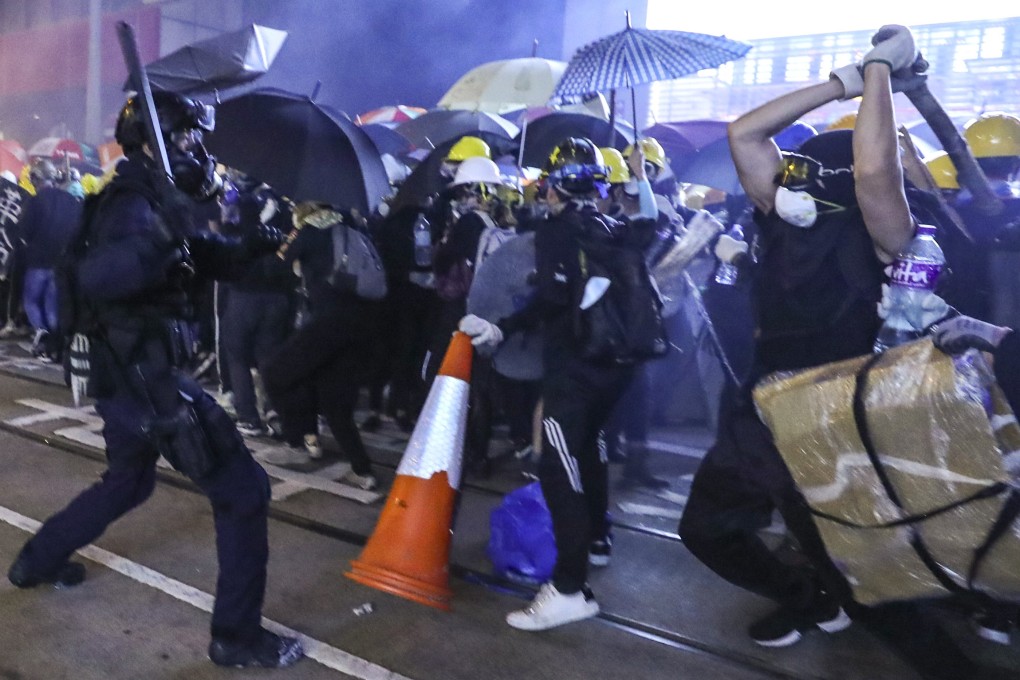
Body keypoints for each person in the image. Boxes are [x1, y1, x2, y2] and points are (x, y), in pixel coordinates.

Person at [6, 90, 303, 669]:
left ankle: (36, 561)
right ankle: (236, 638)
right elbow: (103, 276)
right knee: (244, 493)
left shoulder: (156, 198)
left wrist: (259, 245)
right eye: (191, 138)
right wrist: (166, 233)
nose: (199, 151)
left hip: (128, 380)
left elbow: (202, 257)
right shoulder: (134, 202)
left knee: (128, 481)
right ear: (161, 140)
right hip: (148, 379)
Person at [678, 25, 921, 647]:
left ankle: (856, 613)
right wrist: (840, 82)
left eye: (811, 172)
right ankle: (809, 598)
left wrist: (878, 75)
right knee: (723, 529)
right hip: (763, 410)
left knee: (854, 568)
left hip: (833, 414)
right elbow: (744, 133)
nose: (794, 180)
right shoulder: (778, 216)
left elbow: (872, 173)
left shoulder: (885, 233)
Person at [460, 137, 661, 631]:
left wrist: (503, 325)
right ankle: (596, 540)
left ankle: (570, 587)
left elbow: (551, 297)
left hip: (576, 368)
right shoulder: (613, 223)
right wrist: (639, 182)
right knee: (589, 452)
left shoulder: (557, 231)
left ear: (552, 189)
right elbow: (650, 227)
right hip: (618, 368)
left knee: (558, 466)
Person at [260, 202, 380, 491]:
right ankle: (362, 470)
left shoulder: (309, 229)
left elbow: (275, 267)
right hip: (357, 324)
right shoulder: (352, 226)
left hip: (324, 323)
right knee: (335, 404)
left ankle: (296, 442)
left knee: (275, 373)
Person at [18, 158, 83, 361]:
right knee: (52, 304)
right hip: (62, 262)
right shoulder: (71, 201)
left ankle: (42, 334)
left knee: (31, 301)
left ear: (37, 179)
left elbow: (24, 231)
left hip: (38, 261)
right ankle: (58, 344)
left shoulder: (35, 201)